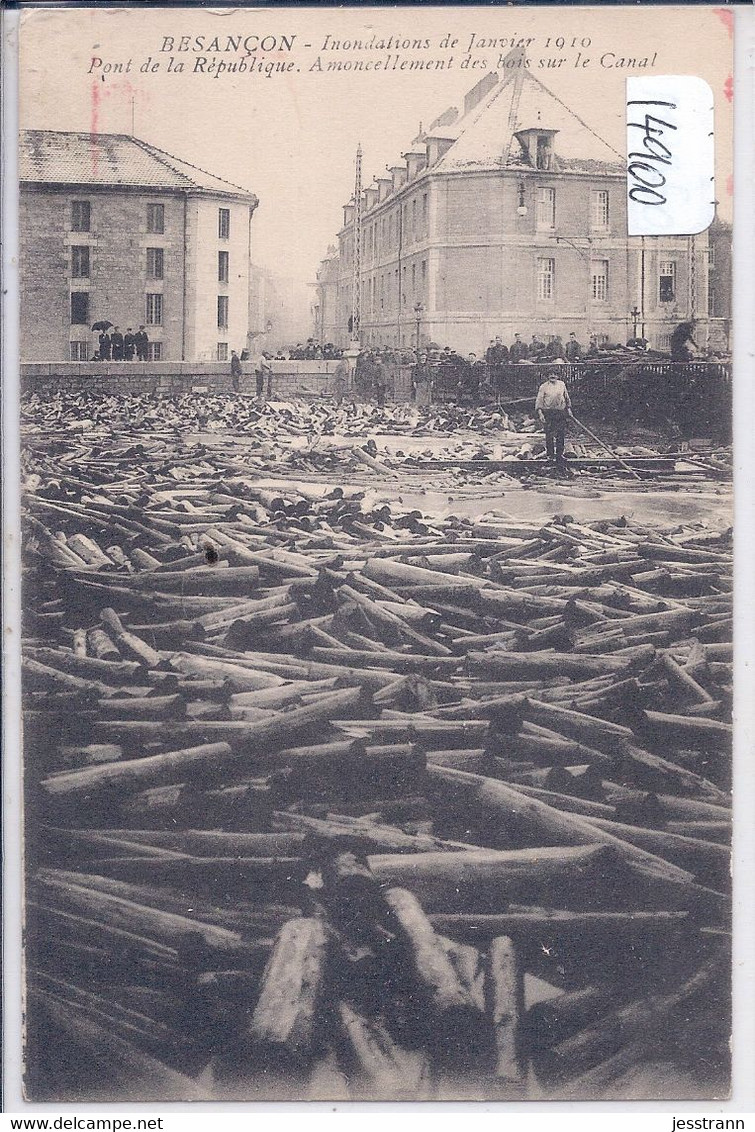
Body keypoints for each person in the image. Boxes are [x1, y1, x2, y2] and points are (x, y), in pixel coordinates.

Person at [535, 370, 573, 465]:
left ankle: (559, 455)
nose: (553, 376)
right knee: (549, 435)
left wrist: (569, 409)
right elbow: (539, 401)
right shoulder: (544, 386)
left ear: (558, 376)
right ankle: (550, 456)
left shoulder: (562, 384)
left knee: (560, 434)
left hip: (560, 412)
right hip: (549, 413)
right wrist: (540, 414)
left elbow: (566, 397)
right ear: (547, 376)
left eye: (555, 374)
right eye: (550, 374)